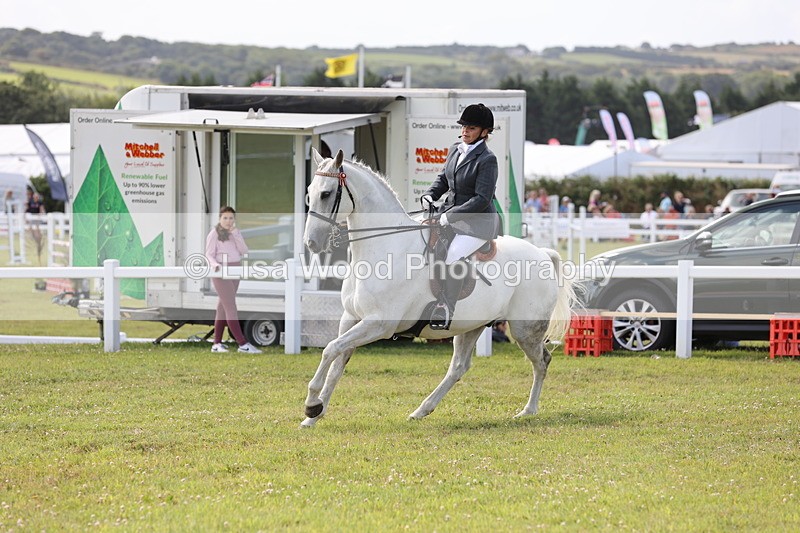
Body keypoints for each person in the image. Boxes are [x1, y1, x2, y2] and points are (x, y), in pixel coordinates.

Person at [420, 103, 500, 330]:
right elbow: (443, 179)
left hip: (478, 222)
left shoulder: (488, 160)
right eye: (464, 126)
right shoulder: (455, 149)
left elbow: (482, 199)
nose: (465, 131)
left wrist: (451, 216)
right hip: (451, 216)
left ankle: (446, 308)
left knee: (454, 254)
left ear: (484, 132)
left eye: (471, 127)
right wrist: (429, 195)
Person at [205, 206, 262, 354]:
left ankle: (216, 343)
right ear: (220, 219)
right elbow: (209, 254)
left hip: (235, 271)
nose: (228, 221)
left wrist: (236, 234)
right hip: (221, 273)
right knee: (231, 307)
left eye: (231, 218)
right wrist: (215, 265)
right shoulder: (214, 234)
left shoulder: (235, 233)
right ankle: (242, 344)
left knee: (222, 307)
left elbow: (243, 251)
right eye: (225, 218)